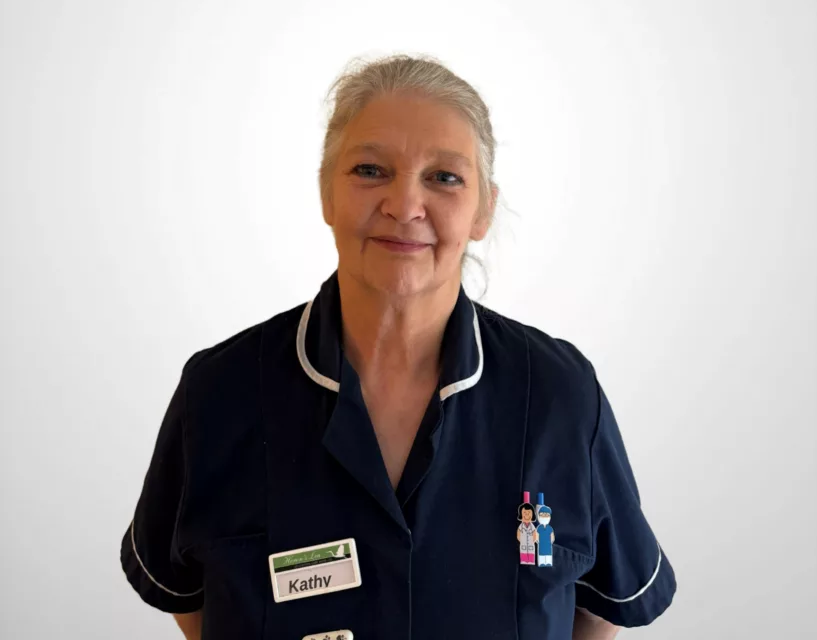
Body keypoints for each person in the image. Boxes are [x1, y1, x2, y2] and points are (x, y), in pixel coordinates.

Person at [120, 53, 677, 639]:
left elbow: (601, 606)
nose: (405, 205)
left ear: (483, 209)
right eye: (370, 170)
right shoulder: (220, 391)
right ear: (326, 194)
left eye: (444, 177)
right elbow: (187, 596)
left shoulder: (561, 395)